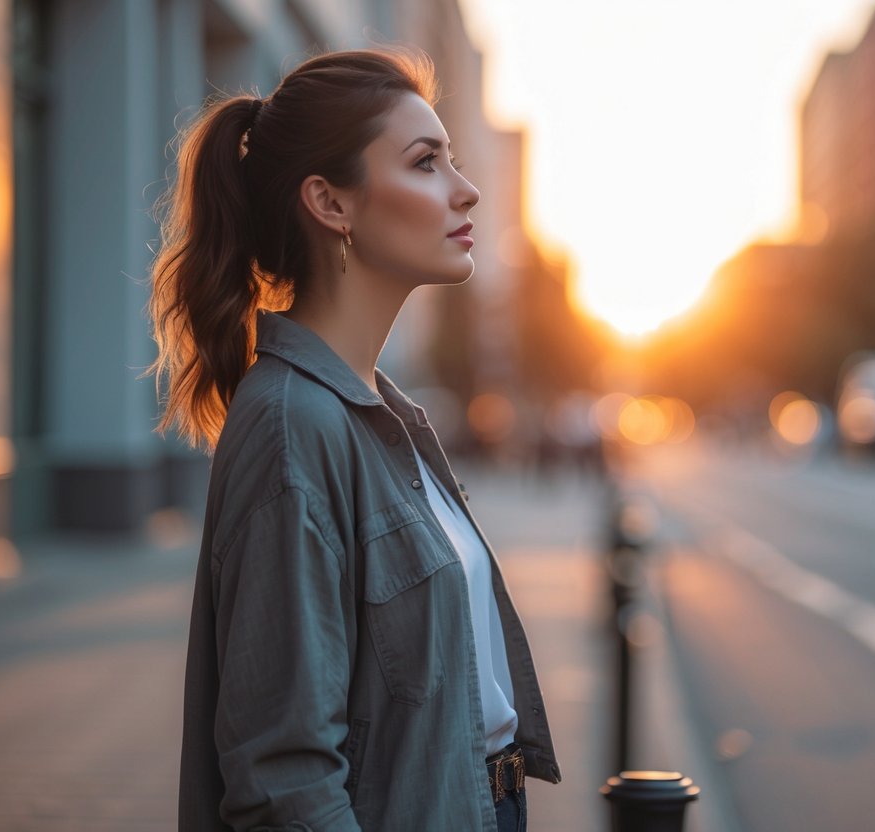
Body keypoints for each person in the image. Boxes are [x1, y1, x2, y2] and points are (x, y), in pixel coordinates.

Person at [148, 47, 560, 831]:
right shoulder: (291, 426)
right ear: (330, 204)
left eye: (453, 160)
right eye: (425, 162)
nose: (465, 188)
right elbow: (284, 781)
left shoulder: (382, 414)